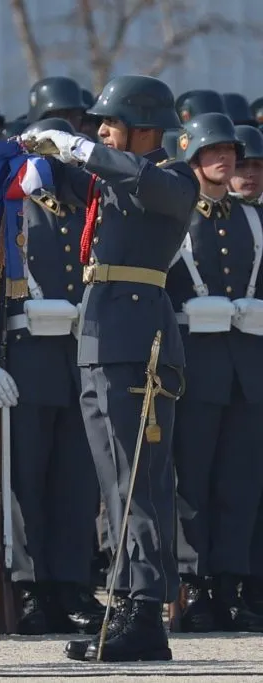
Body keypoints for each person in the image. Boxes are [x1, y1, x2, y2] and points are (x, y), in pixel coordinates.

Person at [26, 74, 196, 662]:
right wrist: (37, 159)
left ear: (145, 129)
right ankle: (124, 606)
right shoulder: (113, 177)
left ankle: (146, 612)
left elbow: (142, 184)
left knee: (140, 481)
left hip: (137, 339)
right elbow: (69, 182)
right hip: (99, 336)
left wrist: (79, 149)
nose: (99, 130)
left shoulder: (173, 177)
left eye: (111, 122)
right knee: (113, 484)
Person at [0, 117, 103, 636]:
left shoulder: (87, 209)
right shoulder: (5, 206)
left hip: (79, 356)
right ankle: (29, 587)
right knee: (23, 480)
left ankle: (71, 584)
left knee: (77, 481)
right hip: (24, 357)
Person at [167, 112, 263, 633]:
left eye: (230, 151)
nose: (226, 159)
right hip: (194, 366)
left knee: (240, 483)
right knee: (193, 483)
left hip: (247, 369)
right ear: (193, 159)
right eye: (214, 151)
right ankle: (195, 583)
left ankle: (230, 582)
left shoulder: (253, 218)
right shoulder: (175, 216)